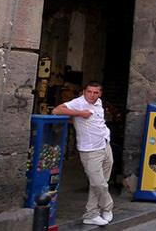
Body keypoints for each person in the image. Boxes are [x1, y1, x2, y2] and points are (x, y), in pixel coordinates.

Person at [52, 82, 114, 226]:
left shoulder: (99, 103)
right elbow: (56, 110)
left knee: (98, 183)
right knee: (99, 183)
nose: (92, 95)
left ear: (100, 94)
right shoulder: (78, 103)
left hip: (105, 145)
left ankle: (92, 213)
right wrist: (80, 113)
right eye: (89, 92)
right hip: (90, 150)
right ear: (84, 92)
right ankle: (107, 206)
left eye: (95, 92)